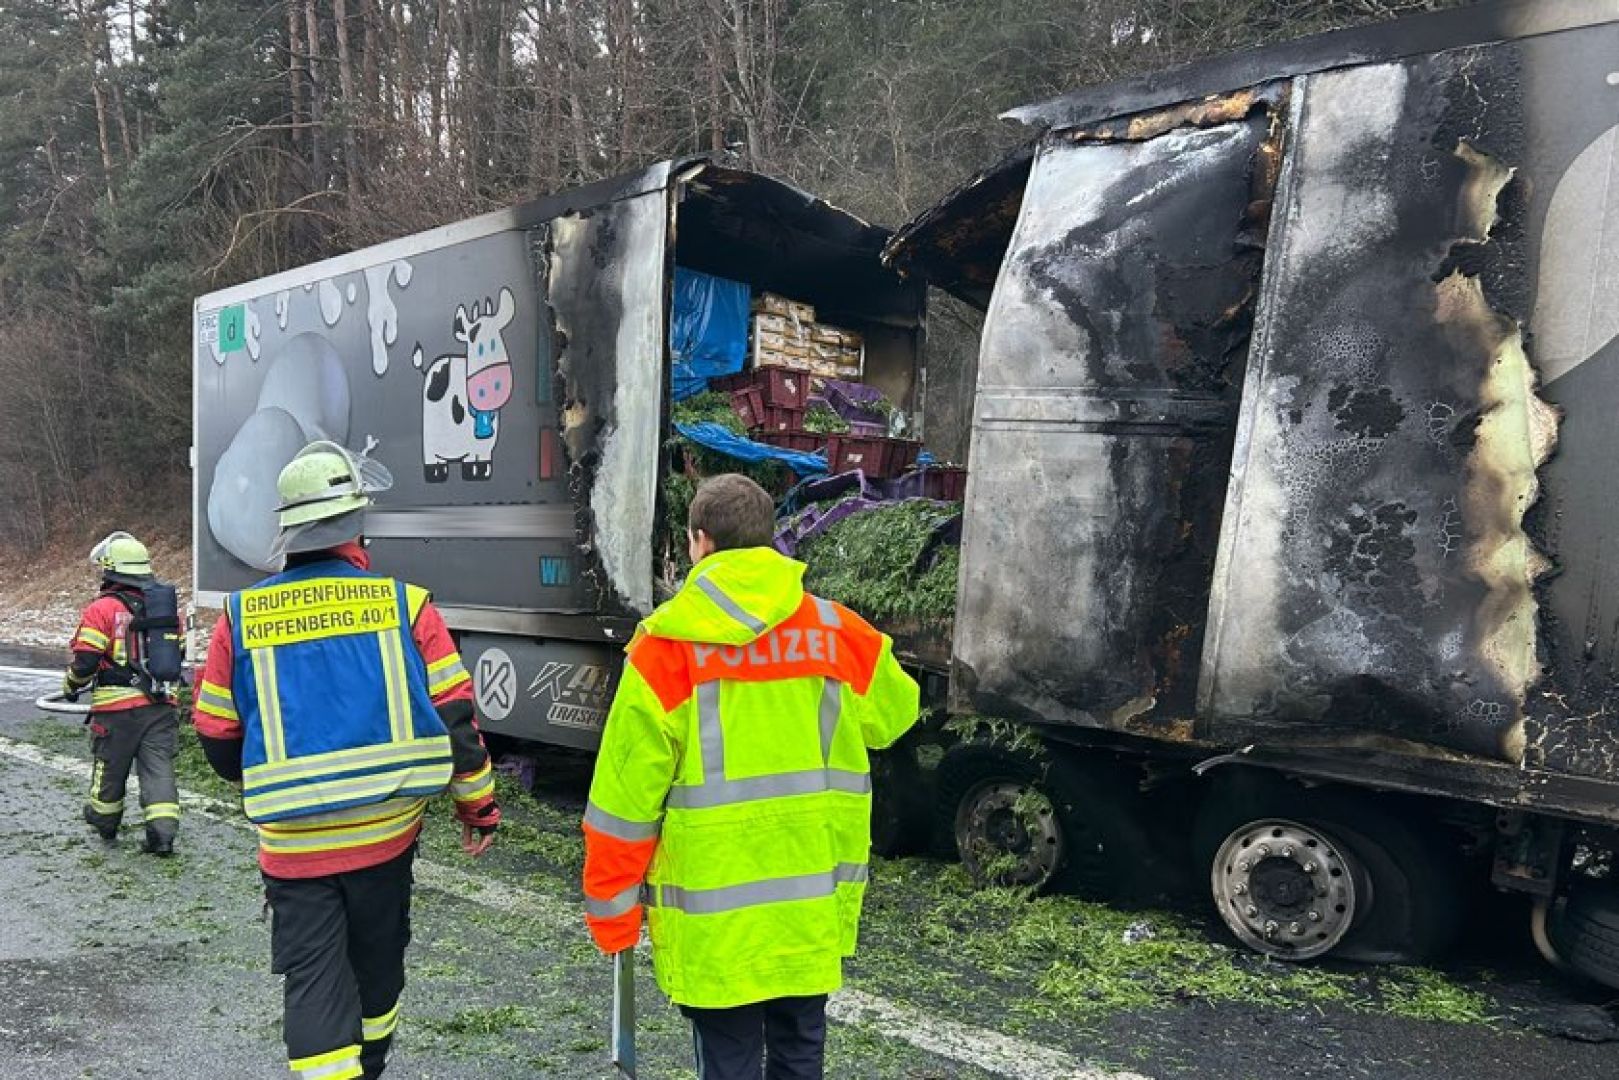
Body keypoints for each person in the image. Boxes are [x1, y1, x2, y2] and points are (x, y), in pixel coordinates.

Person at [581, 473, 921, 1080]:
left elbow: (623, 804)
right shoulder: (837, 633)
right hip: (809, 907)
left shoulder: (664, 648)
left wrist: (613, 916)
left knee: (728, 1060)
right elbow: (896, 715)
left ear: (699, 542)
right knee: (800, 1051)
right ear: (769, 539)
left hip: (717, 922)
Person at [191, 441, 501, 1080]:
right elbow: (456, 721)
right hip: (386, 841)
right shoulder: (405, 606)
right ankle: (373, 1061)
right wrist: (479, 809)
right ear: (358, 524)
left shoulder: (239, 617)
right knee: (378, 965)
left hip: (293, 849)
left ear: (286, 530)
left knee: (311, 980)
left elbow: (218, 738)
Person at [66, 531, 182, 855]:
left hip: (116, 710)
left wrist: (70, 685)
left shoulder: (101, 609)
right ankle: (163, 834)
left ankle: (105, 823)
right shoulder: (165, 609)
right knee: (159, 769)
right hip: (161, 705)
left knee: (110, 768)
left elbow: (86, 660)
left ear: (110, 568)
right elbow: (178, 654)